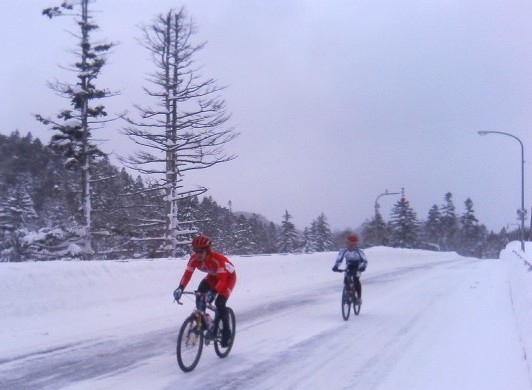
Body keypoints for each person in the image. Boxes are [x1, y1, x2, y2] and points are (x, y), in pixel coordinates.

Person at [173, 235, 237, 347]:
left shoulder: (218, 259)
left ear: (207, 251)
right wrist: (180, 288)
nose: (197, 254)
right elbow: (187, 275)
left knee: (219, 303)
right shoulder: (193, 259)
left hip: (228, 278)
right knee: (200, 293)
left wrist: (213, 292)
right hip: (213, 276)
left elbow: (222, 280)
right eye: (195, 251)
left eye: (201, 252)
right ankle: (203, 320)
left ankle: (227, 332)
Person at [332, 234, 368, 304]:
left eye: (353, 243)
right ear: (347, 243)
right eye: (350, 243)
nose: (351, 245)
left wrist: (363, 267)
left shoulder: (359, 251)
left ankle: (359, 298)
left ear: (355, 244)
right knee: (346, 280)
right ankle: (348, 293)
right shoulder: (343, 251)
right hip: (349, 265)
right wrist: (336, 267)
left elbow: (365, 261)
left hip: (358, 265)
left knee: (356, 279)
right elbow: (339, 260)